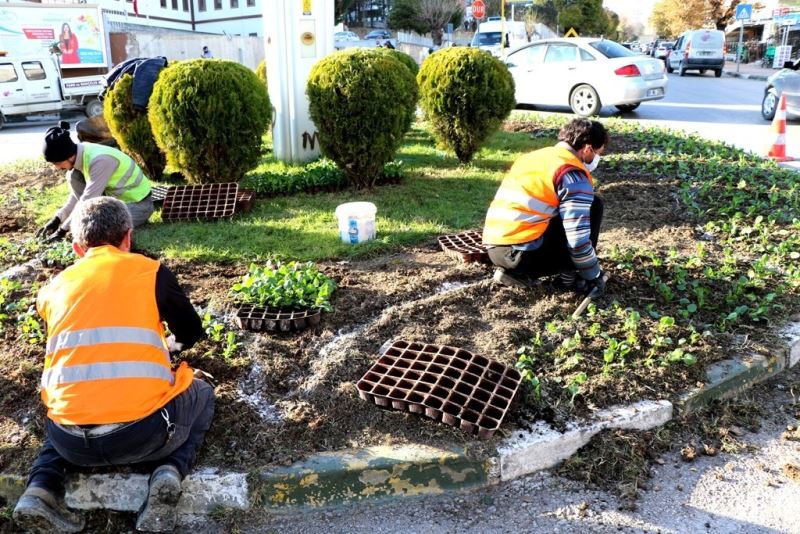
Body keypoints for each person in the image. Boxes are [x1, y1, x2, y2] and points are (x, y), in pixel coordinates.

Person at [12, 196, 213, 533]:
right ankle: (169, 472)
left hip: (70, 443)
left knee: (64, 410)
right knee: (202, 392)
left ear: (77, 248)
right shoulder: (150, 272)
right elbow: (191, 331)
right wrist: (169, 346)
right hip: (142, 436)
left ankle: (39, 489)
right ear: (128, 238)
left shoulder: (51, 289)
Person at [482, 118, 608, 293]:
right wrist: (593, 274)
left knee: (561, 212)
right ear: (587, 149)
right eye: (598, 153)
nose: (597, 158)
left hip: (495, 249)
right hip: (523, 254)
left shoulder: (532, 157)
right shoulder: (571, 172)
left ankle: (516, 274)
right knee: (594, 206)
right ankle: (568, 279)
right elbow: (577, 240)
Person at [37, 121, 154, 242]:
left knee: (97, 228)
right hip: (117, 204)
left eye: (57, 163)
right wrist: (57, 218)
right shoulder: (81, 153)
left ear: (68, 156)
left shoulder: (100, 161)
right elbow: (77, 197)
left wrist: (63, 230)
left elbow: (87, 199)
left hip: (138, 206)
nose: (56, 167)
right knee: (73, 176)